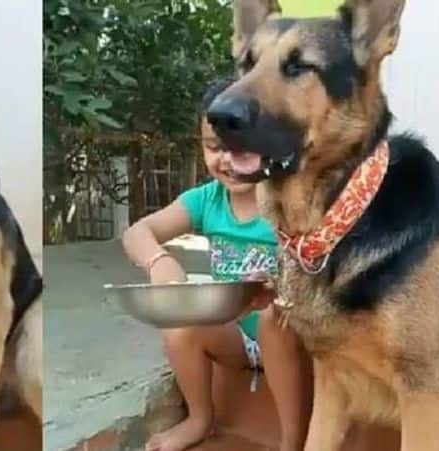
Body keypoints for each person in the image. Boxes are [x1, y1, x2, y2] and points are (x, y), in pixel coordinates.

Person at [122, 78, 312, 451]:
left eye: (242, 148)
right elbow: (138, 232)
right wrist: (158, 260)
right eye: (215, 147)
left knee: (275, 317)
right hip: (236, 335)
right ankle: (200, 420)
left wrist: (281, 282)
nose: (227, 160)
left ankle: (294, 442)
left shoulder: (290, 198)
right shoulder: (207, 200)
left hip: (292, 337)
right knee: (178, 319)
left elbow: (322, 263)